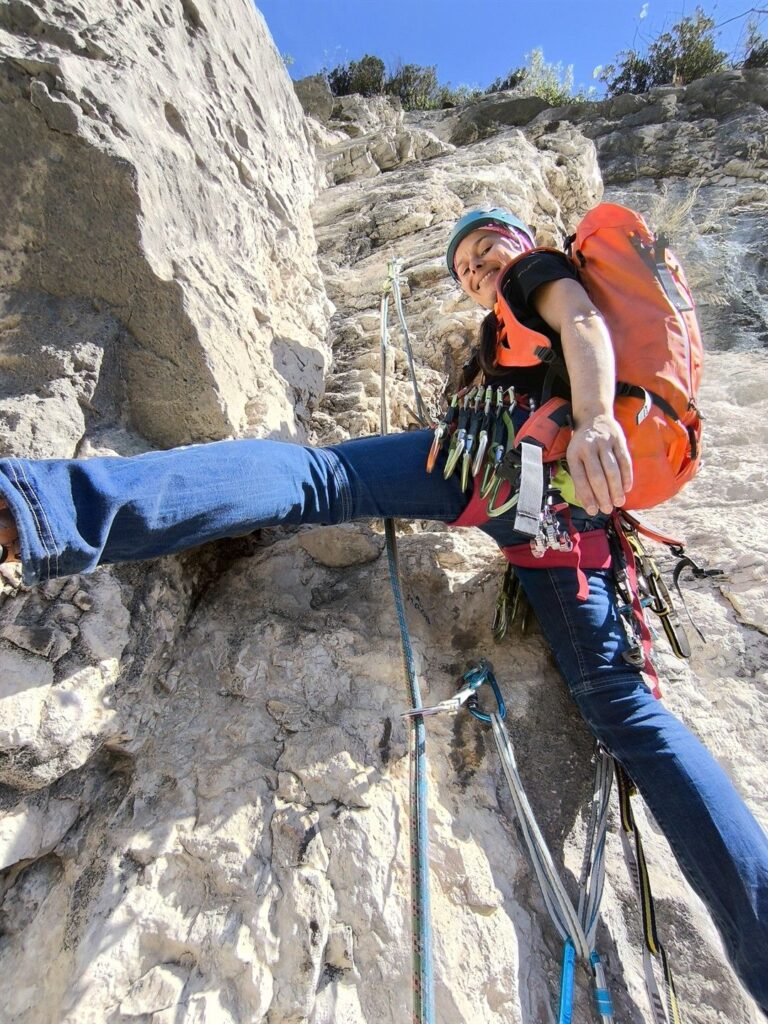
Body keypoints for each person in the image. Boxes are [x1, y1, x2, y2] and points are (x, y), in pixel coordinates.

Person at [0, 208, 766, 1014]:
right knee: (625, 706)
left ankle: (42, 506)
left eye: (485, 250)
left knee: (321, 479)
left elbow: (580, 318)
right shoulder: (505, 337)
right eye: (465, 269)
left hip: (520, 460)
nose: (477, 269)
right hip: (569, 512)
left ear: (519, 242)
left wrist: (599, 415)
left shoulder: (535, 271)